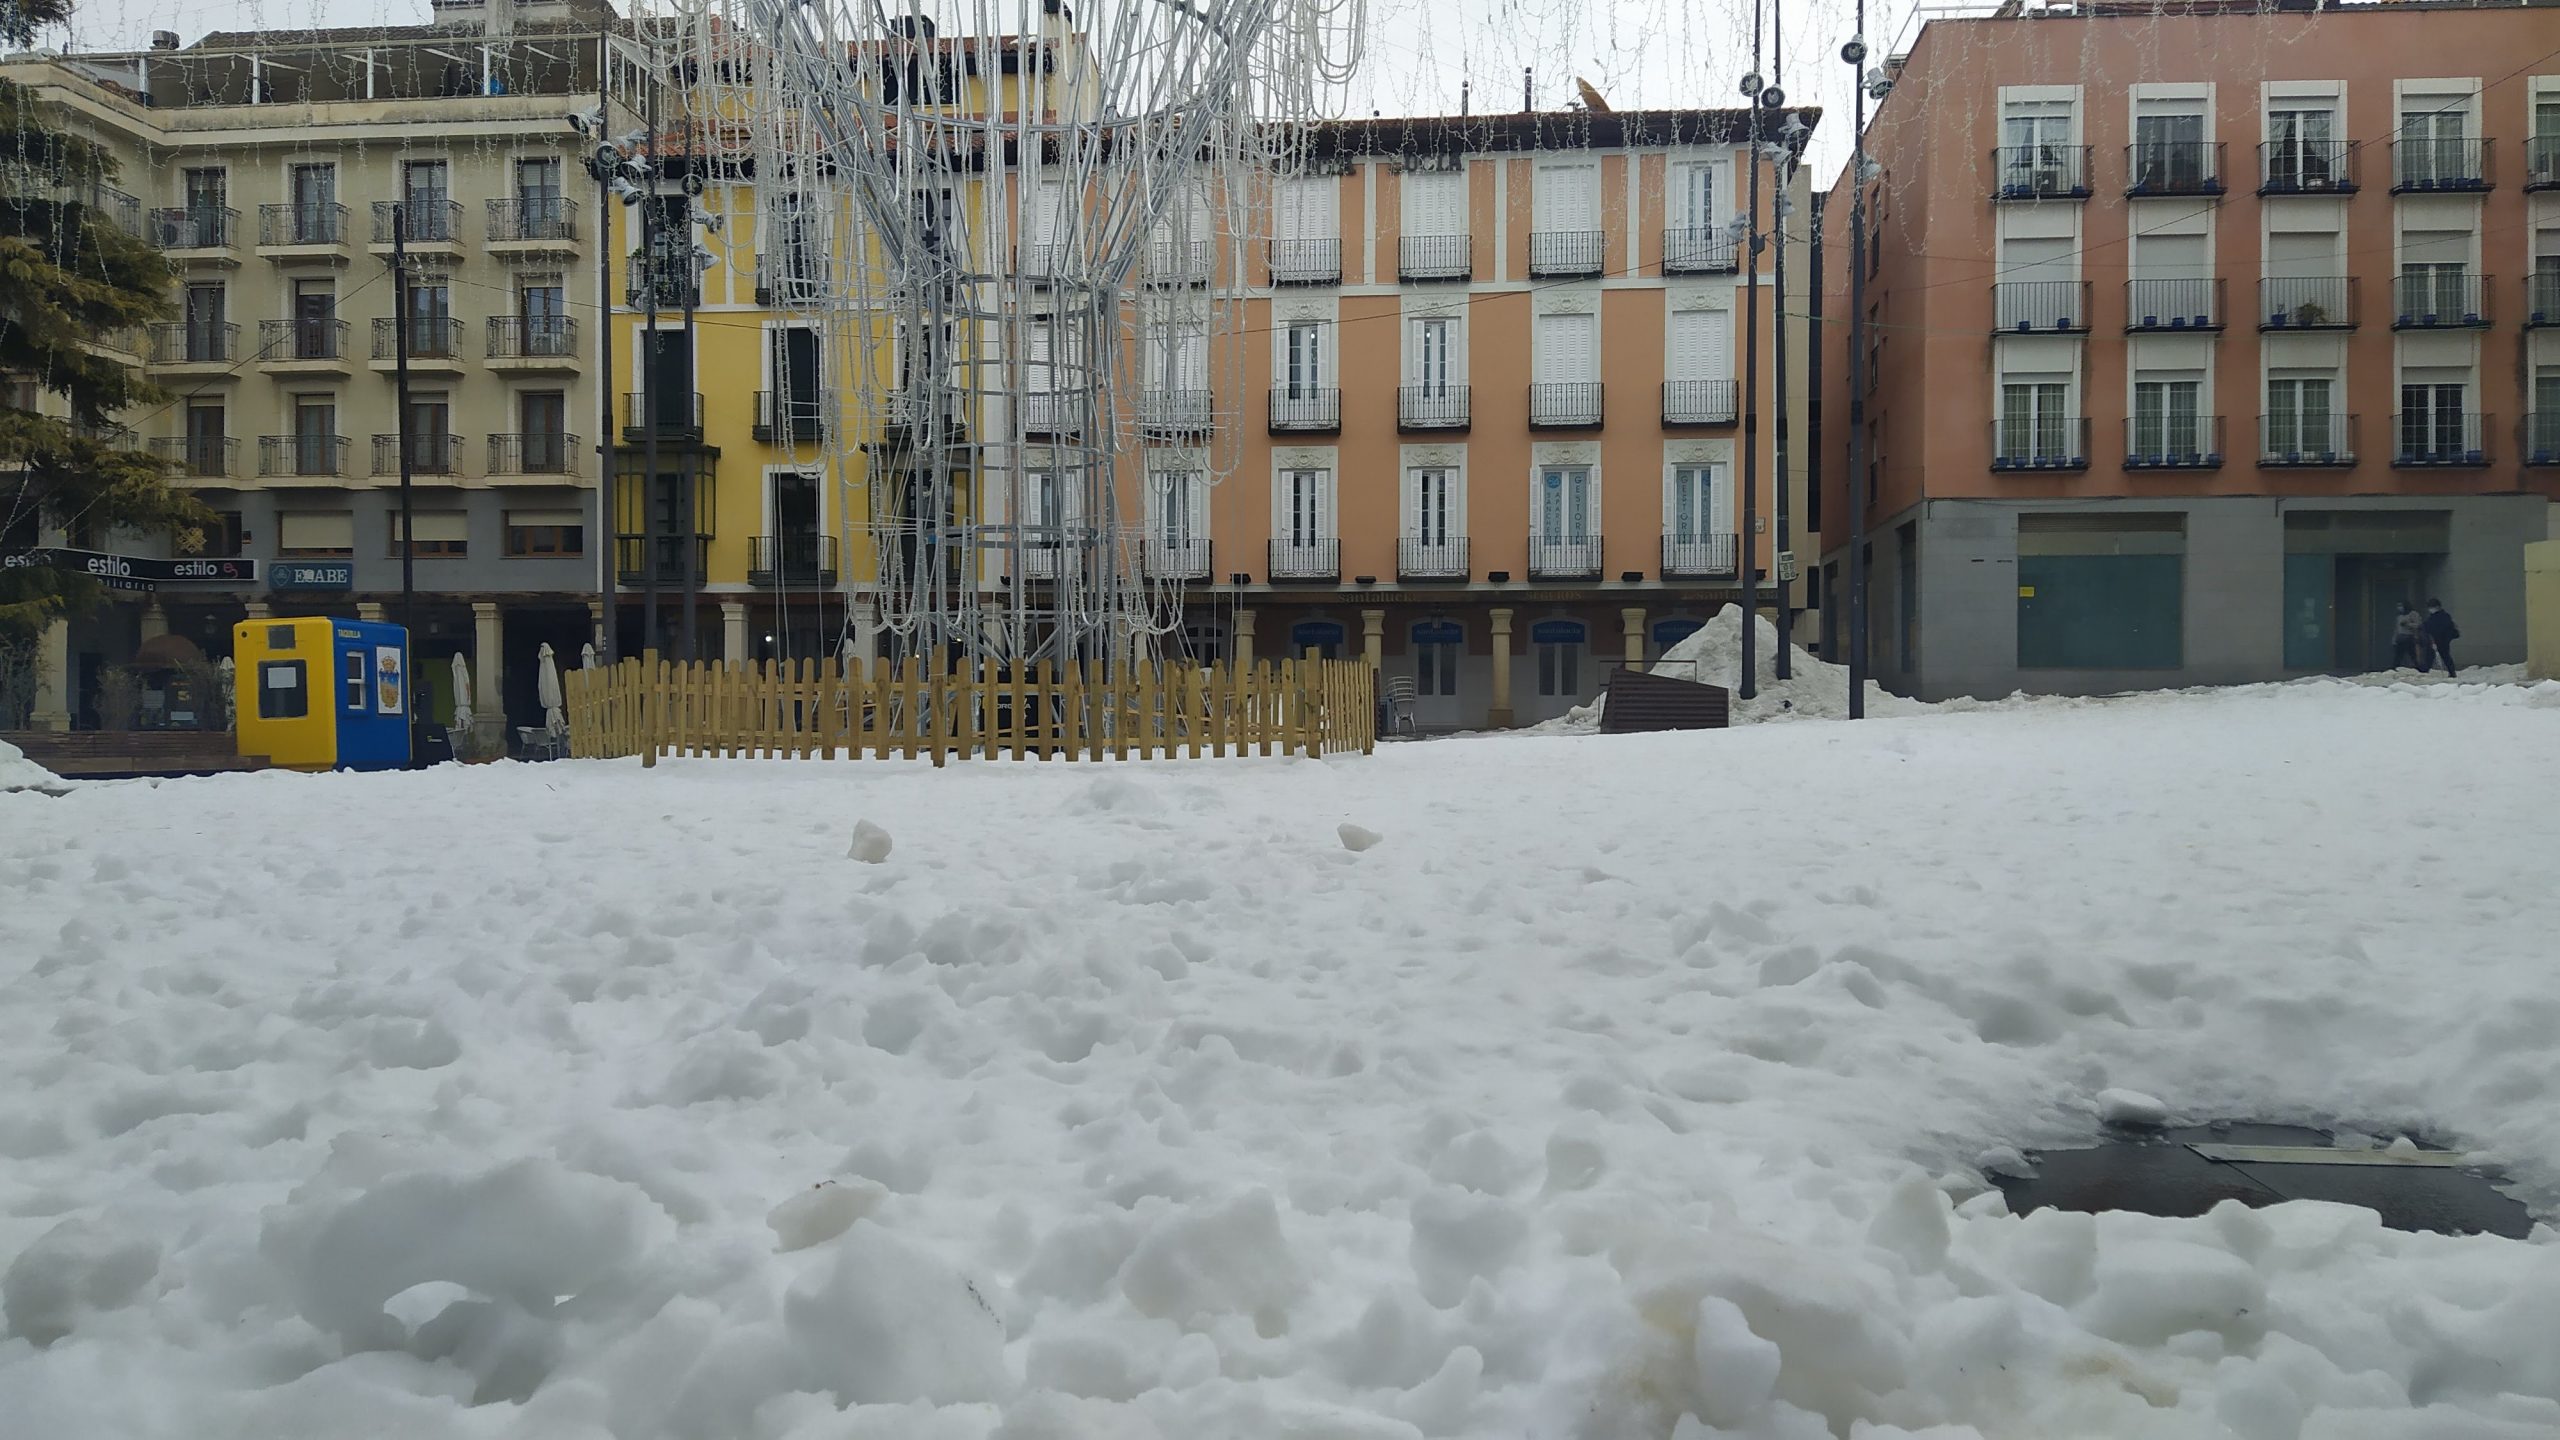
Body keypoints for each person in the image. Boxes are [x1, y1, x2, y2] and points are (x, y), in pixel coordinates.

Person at [2420, 598, 2461, 678]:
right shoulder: (2438, 617)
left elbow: (2443, 628)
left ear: (2437, 606)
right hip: (2436, 640)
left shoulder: (2443, 617)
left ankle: (2451, 672)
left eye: (2432, 607)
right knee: (2434, 656)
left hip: (2442, 640)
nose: (2430, 609)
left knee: (2444, 656)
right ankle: (2450, 672)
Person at [2391, 602, 2424, 670]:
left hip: (2409, 637)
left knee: (2413, 655)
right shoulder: (2399, 616)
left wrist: (2408, 624)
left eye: (2401, 605)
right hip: (2400, 638)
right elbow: (2396, 629)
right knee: (2398, 656)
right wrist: (2394, 640)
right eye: (2398, 606)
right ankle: (2395, 669)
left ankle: (2417, 668)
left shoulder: (2413, 614)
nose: (2399, 607)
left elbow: (2419, 625)